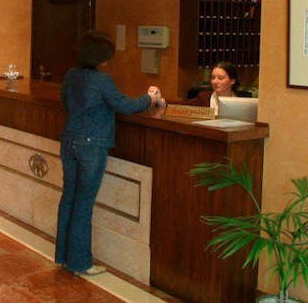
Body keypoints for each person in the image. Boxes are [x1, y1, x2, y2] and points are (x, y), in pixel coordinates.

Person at [55, 30, 162, 276]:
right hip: (92, 145)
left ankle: (63, 256)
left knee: (69, 198)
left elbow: (67, 104)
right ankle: (81, 263)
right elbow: (125, 106)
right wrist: (149, 98)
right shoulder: (101, 80)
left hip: (69, 141)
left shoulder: (70, 75)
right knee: (83, 203)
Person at [176, 61, 243, 108]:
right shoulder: (204, 98)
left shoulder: (241, 101)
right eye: (213, 78)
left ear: (232, 81)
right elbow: (182, 105)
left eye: (220, 78)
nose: (215, 81)